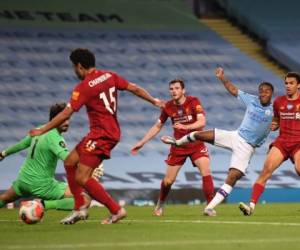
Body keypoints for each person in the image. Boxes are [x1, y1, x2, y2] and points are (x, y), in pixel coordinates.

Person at [29, 48, 164, 225]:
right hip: (105, 131)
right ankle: (79, 208)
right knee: (70, 161)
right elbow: (135, 89)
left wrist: (43, 129)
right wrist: (154, 100)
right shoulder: (110, 76)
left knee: (82, 177)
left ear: (79, 66)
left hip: (102, 134)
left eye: (73, 67)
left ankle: (116, 210)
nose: (74, 71)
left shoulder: (83, 87)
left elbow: (65, 114)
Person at [161, 67, 274, 216]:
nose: (263, 93)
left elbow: (284, 120)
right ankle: (178, 142)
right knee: (200, 134)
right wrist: (222, 78)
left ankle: (209, 207)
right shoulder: (252, 100)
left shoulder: (275, 109)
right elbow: (233, 90)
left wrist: (277, 126)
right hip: (235, 136)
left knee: (232, 177)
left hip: (247, 147)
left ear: (271, 93)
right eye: (261, 90)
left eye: (266, 91)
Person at [131, 79, 215, 216]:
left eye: (177, 88)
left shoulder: (193, 101)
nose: (174, 91)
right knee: (168, 181)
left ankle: (210, 207)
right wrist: (142, 142)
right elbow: (157, 126)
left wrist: (185, 127)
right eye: (171, 89)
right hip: (178, 146)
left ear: (183, 90)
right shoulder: (168, 107)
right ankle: (160, 205)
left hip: (196, 143)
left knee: (206, 171)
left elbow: (202, 122)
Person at [0, 102, 94, 211]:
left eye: (68, 119)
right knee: (84, 199)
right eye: (63, 119)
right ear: (54, 119)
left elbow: (22, 144)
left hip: (23, 181)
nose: (67, 122)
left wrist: (4, 153)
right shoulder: (54, 137)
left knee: (4, 198)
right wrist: (88, 166)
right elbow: (68, 160)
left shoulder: (40, 129)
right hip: (42, 185)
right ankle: (41, 205)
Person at [239, 72, 300, 216]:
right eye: (286, 83)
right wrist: (275, 125)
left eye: (291, 83)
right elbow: (277, 120)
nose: (288, 86)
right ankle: (251, 206)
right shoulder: (279, 102)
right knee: (266, 171)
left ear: (298, 85)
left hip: (298, 143)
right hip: (282, 142)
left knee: (299, 169)